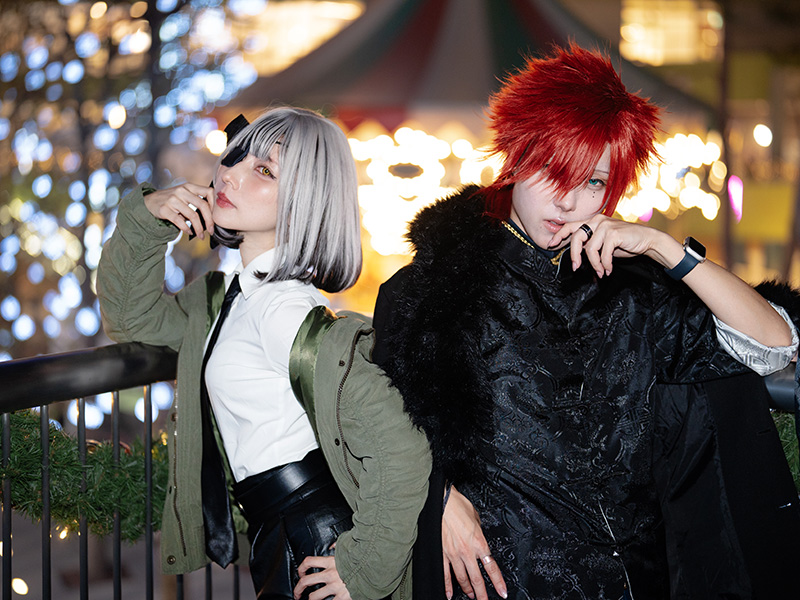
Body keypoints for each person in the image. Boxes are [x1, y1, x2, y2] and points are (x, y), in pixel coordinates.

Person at [372, 45, 800, 599]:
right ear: (517, 156)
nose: (569, 201)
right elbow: (381, 425)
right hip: (507, 578)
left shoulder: (635, 291)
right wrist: (439, 499)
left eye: (594, 182)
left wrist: (665, 249)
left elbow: (774, 343)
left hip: (637, 580)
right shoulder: (434, 291)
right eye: (554, 171)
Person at [97, 106, 431, 600]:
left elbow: (400, 446)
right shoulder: (229, 297)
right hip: (280, 532)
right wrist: (148, 216)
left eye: (265, 170)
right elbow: (130, 316)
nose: (229, 174)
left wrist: (363, 568)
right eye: (235, 158)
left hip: (317, 537)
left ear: (304, 201)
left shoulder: (283, 309)